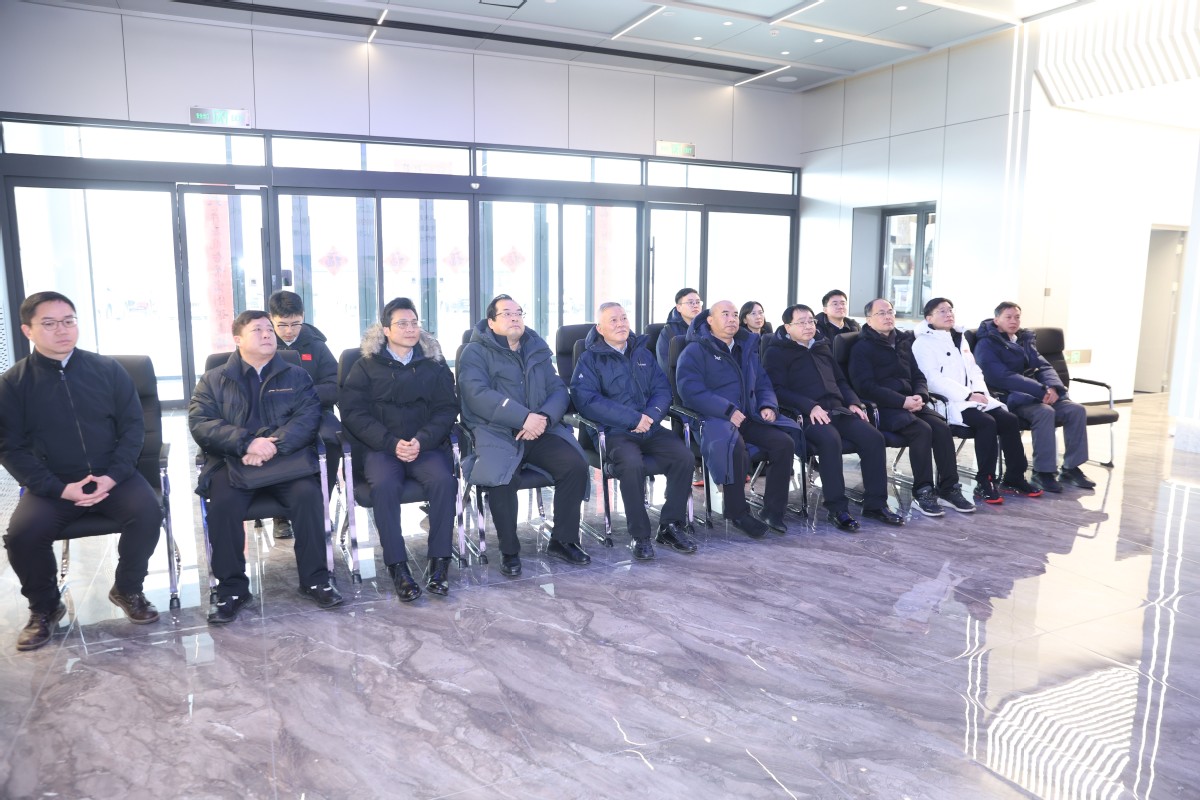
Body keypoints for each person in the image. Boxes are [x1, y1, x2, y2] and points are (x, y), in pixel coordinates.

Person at [1, 291, 161, 651]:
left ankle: (128, 588)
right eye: (49, 323)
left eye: (68, 321)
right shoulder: (13, 384)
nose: (62, 330)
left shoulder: (108, 370)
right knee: (22, 535)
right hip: (54, 484)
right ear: (28, 330)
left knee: (148, 512)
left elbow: (133, 428)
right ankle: (45, 607)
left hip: (112, 476)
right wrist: (59, 488)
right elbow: (11, 448)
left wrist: (113, 476)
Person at [189, 310, 343, 624]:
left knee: (309, 496)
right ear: (237, 339)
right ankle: (231, 589)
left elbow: (308, 417)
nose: (267, 335)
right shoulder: (214, 379)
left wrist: (270, 446)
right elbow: (201, 423)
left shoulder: (296, 375)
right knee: (223, 504)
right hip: (234, 461)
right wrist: (246, 444)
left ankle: (316, 579)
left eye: (269, 330)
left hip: (286, 460)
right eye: (257, 330)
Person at [458, 294, 590, 576]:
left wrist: (543, 418)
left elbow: (558, 389)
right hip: (496, 431)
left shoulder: (535, 348)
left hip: (540, 428)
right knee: (502, 477)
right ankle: (509, 551)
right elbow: (477, 395)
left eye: (518, 312)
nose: (515, 318)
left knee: (575, 465)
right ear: (491, 322)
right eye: (506, 313)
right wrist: (523, 418)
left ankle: (563, 540)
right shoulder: (474, 352)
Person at [339, 298, 459, 601]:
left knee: (444, 481)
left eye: (414, 323)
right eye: (402, 323)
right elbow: (353, 413)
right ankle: (398, 567)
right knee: (384, 485)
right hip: (381, 448)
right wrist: (391, 443)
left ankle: (440, 563)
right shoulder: (365, 365)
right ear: (386, 330)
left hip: (425, 446)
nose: (410, 329)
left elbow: (447, 408)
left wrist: (422, 440)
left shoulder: (433, 363)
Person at [570, 302, 698, 560]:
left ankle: (670, 526)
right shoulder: (589, 359)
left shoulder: (642, 354)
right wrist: (633, 419)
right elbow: (587, 401)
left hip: (649, 426)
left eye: (624, 318)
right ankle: (640, 535)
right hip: (614, 432)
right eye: (613, 320)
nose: (621, 324)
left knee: (684, 457)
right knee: (631, 463)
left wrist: (650, 416)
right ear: (600, 328)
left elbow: (662, 390)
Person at [764, 304, 904, 531]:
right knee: (830, 440)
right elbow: (776, 390)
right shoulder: (776, 352)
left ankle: (876, 504)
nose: (808, 326)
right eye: (801, 322)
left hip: (838, 410)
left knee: (873, 438)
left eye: (811, 321)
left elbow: (840, 381)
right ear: (788, 327)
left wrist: (853, 402)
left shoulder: (822, 345)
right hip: (807, 416)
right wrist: (810, 407)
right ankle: (837, 509)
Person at [676, 300, 801, 537]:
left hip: (748, 416)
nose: (732, 319)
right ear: (710, 321)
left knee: (784, 442)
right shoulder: (695, 351)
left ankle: (773, 511)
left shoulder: (745, 348)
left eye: (734, 314)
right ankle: (737, 513)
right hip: (714, 419)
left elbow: (762, 382)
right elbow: (690, 391)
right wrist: (727, 410)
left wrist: (767, 405)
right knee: (734, 446)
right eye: (725, 314)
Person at [849, 298, 975, 517]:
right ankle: (923, 492)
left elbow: (918, 375)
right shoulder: (861, 347)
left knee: (942, 428)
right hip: (884, 408)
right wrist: (901, 401)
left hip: (912, 402)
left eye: (890, 312)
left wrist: (921, 396)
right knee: (921, 430)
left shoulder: (903, 341)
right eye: (881, 313)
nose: (888, 316)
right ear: (869, 320)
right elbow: (865, 386)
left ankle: (949, 489)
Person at [911, 298, 1042, 502]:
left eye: (950, 310)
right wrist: (967, 395)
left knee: (1009, 420)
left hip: (974, 397)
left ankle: (1014, 477)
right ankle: (984, 481)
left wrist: (979, 391)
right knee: (986, 423)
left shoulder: (959, 338)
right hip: (949, 401)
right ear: (929, 318)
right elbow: (933, 380)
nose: (949, 314)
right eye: (942, 311)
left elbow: (974, 369)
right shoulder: (922, 343)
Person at [973, 301, 1095, 493]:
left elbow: (1044, 366)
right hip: (1010, 397)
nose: (1014, 321)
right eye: (1008, 317)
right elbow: (1001, 376)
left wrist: (1053, 387)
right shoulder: (986, 344)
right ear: (996, 320)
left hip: (1038, 394)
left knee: (1075, 410)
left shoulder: (1024, 339)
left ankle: (1071, 468)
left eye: (1017, 317)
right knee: (1044, 412)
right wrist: (1040, 390)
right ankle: (1043, 472)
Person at [268, 290, 339, 538]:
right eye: (282, 325)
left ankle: (321, 506)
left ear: (303, 317)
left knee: (332, 440)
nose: (289, 331)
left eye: (295, 323)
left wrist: (302, 395)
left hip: (315, 412)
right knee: (273, 439)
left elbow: (334, 386)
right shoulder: (261, 344)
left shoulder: (316, 345)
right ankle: (280, 514)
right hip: (274, 416)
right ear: (271, 319)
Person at [656, 287, 704, 372]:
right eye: (690, 302)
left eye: (698, 302)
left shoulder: (708, 328)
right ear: (679, 307)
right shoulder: (668, 332)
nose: (695, 305)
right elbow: (665, 365)